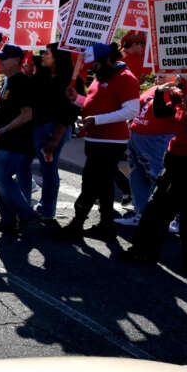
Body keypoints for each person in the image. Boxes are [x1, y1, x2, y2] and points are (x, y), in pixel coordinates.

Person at [120, 77, 187, 276]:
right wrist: (160, 93)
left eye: (183, 74)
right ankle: (142, 252)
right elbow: (161, 113)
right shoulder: (184, 97)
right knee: (156, 211)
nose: (177, 76)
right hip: (176, 161)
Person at [54, 42, 141, 241]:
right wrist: (77, 99)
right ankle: (106, 224)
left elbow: (131, 111)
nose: (92, 68)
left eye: (95, 64)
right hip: (95, 138)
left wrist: (97, 120)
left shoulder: (125, 78)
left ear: (107, 59)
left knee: (91, 181)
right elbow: (94, 104)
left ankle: (77, 223)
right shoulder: (102, 77)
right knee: (103, 184)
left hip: (111, 141)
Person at [0, 44, 38, 234]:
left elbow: (27, 114)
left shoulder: (22, 82)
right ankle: (8, 220)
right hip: (4, 140)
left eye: (3, 58)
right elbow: (5, 104)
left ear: (16, 60)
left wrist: (3, 130)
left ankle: (26, 214)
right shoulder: (9, 80)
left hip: (16, 141)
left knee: (2, 180)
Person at [117, 74, 182, 227]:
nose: (160, 73)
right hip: (137, 139)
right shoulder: (154, 89)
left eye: (166, 70)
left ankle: (175, 218)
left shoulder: (177, 93)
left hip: (157, 141)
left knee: (160, 180)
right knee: (137, 177)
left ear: (176, 77)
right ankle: (141, 214)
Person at [28, 44, 79, 220]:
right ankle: (41, 206)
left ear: (57, 57)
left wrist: (55, 140)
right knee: (42, 167)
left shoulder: (71, 80)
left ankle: (47, 209)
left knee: (49, 168)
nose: (42, 56)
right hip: (40, 126)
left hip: (54, 129)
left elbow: (68, 113)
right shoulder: (45, 75)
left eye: (47, 53)